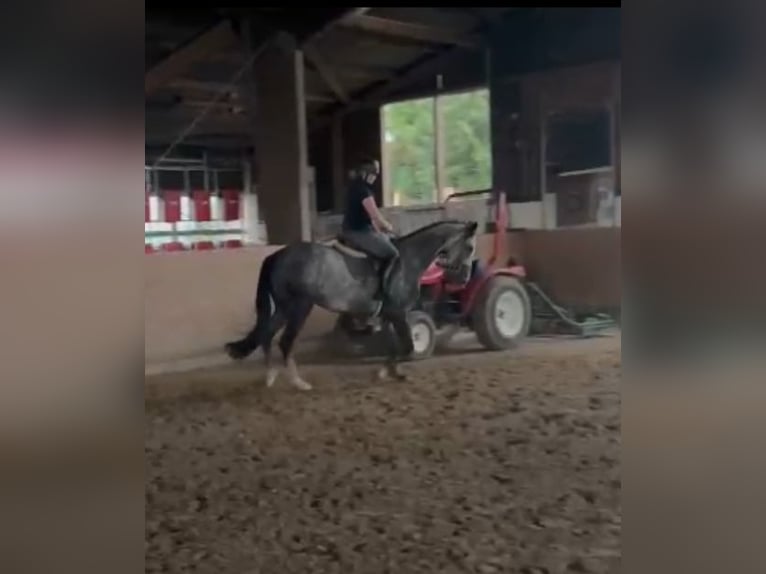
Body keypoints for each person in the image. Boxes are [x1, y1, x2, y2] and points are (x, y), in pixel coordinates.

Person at [340, 158, 399, 305]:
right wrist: (388, 227)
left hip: (352, 229)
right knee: (393, 254)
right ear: (365, 173)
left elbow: (371, 220)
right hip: (359, 233)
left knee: (384, 241)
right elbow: (376, 216)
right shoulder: (364, 191)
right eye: (373, 173)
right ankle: (383, 290)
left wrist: (380, 231)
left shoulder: (353, 187)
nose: (375, 177)